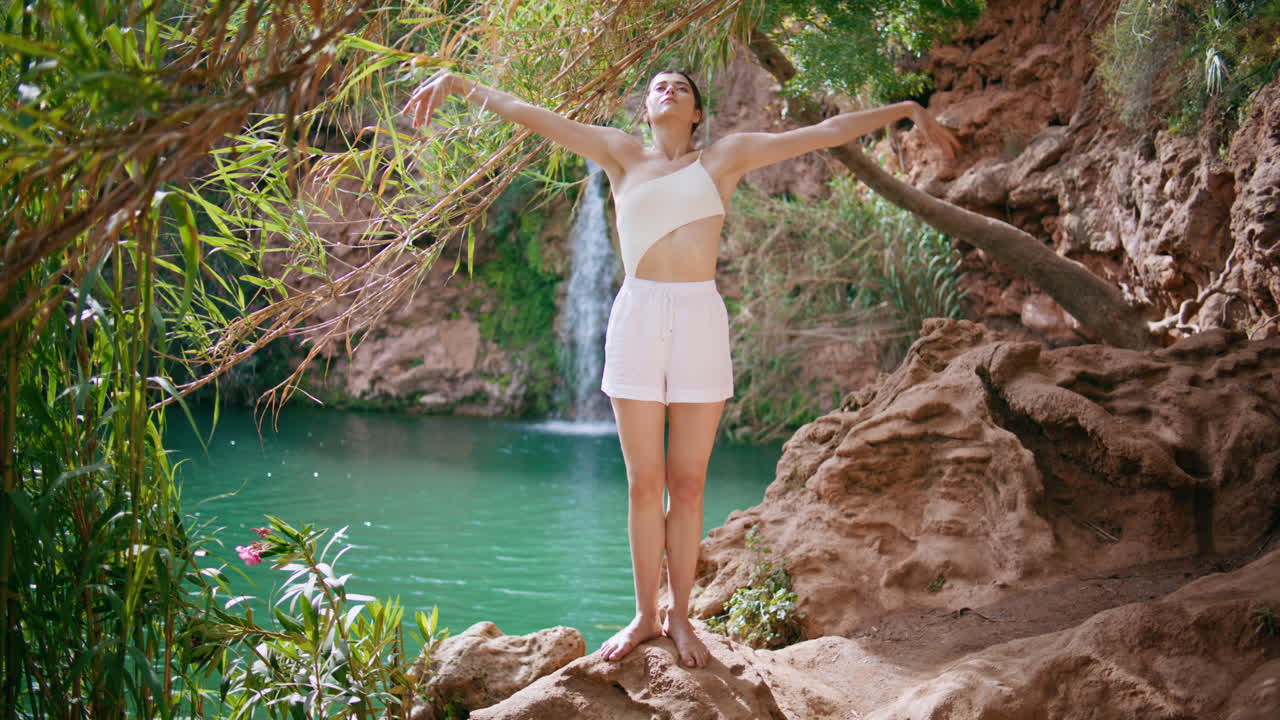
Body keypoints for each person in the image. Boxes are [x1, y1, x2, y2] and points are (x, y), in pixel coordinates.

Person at [402, 68, 959, 669]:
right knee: (645, 482)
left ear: (697, 114)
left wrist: (904, 107)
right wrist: (460, 84)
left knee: (687, 483)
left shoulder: (725, 157)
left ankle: (681, 616)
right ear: (646, 107)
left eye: (683, 89)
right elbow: (530, 113)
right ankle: (645, 615)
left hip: (698, 319)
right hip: (636, 316)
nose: (669, 91)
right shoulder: (618, 153)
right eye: (659, 86)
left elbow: (825, 131)